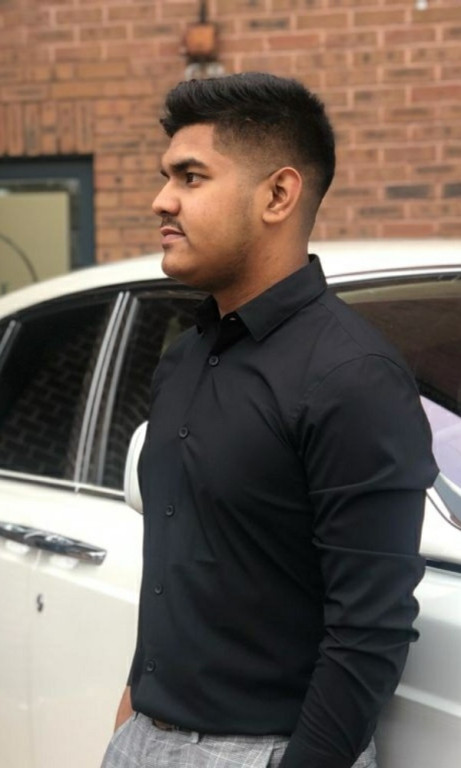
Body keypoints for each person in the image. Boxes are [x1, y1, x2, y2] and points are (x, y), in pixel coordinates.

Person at [101, 72, 438, 768]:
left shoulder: (352, 376)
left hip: (263, 751)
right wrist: (135, 707)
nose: (161, 200)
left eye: (191, 177)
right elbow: (180, 557)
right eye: (166, 177)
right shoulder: (184, 358)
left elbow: (369, 630)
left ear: (278, 195)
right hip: (145, 738)